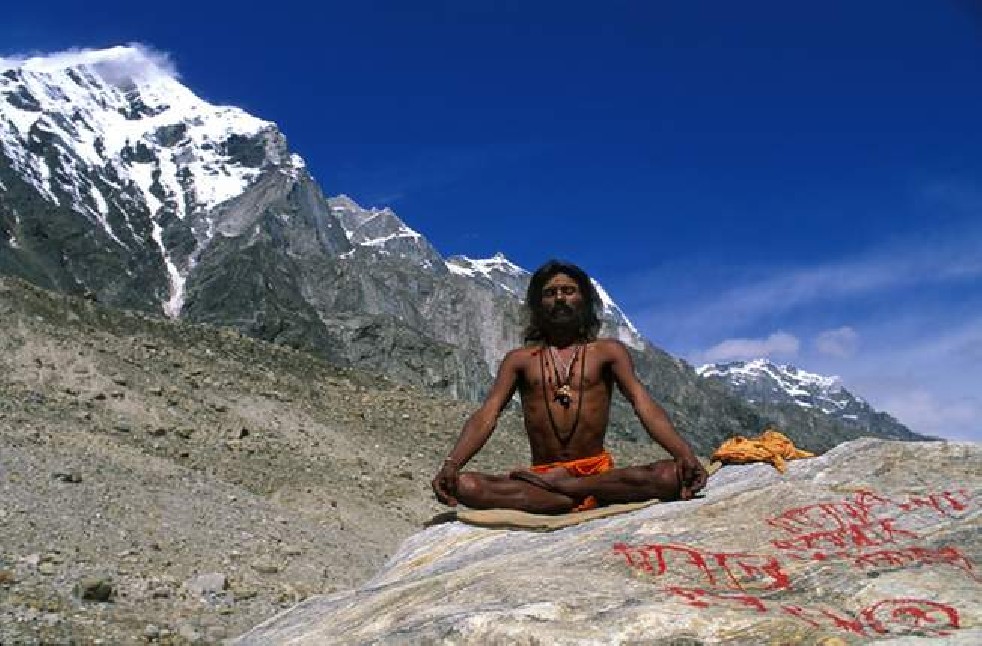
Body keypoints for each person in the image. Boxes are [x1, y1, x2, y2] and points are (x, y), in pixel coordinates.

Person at [432, 259, 708, 514]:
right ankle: (571, 491)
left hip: (597, 473)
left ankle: (569, 489)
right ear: (538, 306)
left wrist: (683, 454)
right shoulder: (519, 360)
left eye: (568, 290)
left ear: (585, 301)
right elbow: (487, 415)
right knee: (466, 485)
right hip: (543, 475)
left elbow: (643, 404)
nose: (560, 298)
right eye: (550, 293)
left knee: (670, 475)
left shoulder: (608, 352)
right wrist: (452, 464)